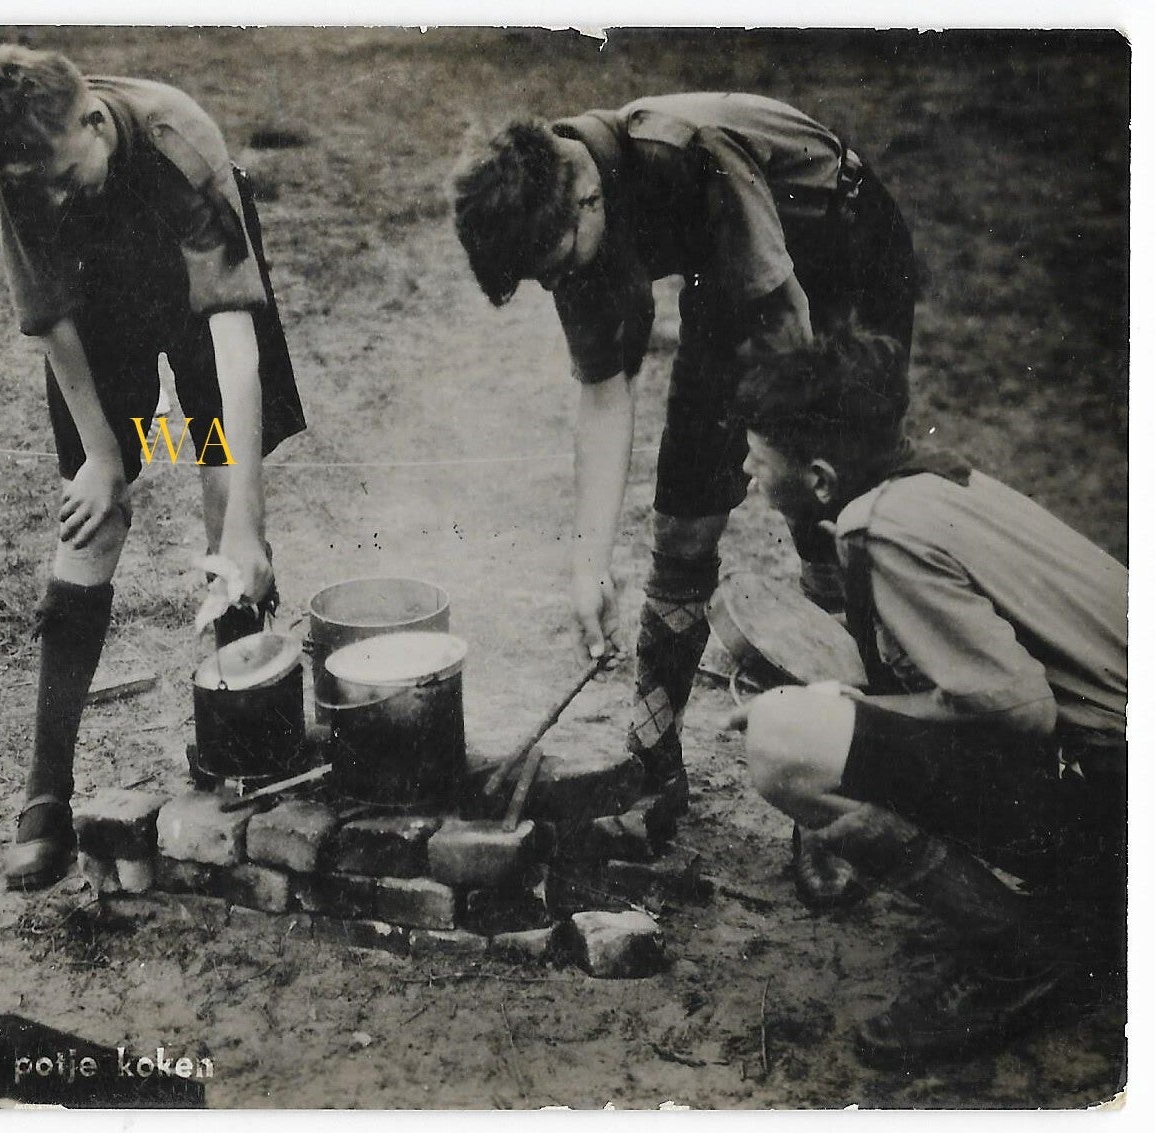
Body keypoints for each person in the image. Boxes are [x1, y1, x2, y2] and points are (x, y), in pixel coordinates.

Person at [449, 93, 915, 819]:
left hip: (841, 248)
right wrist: (588, 566)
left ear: (588, 197)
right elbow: (604, 397)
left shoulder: (689, 152)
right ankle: (654, 762)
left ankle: (848, 787)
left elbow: (787, 327)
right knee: (681, 516)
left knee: (829, 510)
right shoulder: (564, 217)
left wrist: (794, 469)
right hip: (728, 273)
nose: (556, 284)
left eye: (555, 266)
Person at [729, 331, 1126, 1066]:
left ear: (819, 478)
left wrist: (842, 710)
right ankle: (1087, 903)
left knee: (785, 738)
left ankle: (1022, 953)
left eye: (758, 458)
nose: (748, 472)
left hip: (1121, 802)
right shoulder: (937, 480)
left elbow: (1020, 710)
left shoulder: (880, 528)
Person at [0, 46, 306, 890]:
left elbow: (233, 345)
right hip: (99, 302)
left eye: (62, 177)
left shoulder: (176, 143)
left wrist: (244, 522)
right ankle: (44, 795)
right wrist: (103, 457)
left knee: (224, 488)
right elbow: (49, 319)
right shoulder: (23, 168)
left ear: (91, 121)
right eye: (34, 186)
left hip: (201, 303)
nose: (49, 196)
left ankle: (243, 761)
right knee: (91, 519)